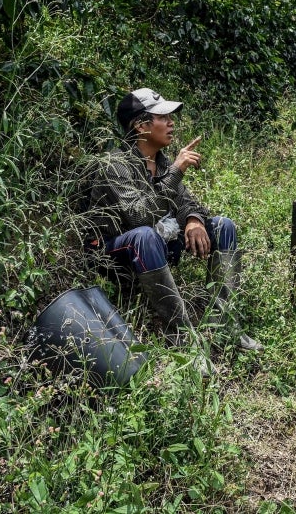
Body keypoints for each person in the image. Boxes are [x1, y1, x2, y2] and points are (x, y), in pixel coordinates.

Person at [83, 88, 263, 373]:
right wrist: (177, 172)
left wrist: (193, 219)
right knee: (145, 235)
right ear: (141, 126)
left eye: (170, 117)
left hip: (155, 244)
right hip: (114, 254)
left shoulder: (163, 161)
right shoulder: (114, 165)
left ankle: (225, 324)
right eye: (163, 117)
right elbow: (138, 217)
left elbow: (188, 202)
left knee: (222, 226)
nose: (171, 123)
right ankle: (185, 342)